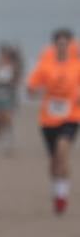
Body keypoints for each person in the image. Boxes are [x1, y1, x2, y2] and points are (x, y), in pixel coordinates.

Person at [26, 29, 80, 214]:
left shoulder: (77, 65)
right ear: (55, 45)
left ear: (70, 45)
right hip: (48, 118)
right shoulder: (45, 65)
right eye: (59, 43)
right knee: (54, 160)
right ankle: (56, 185)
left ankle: (62, 196)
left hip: (71, 116)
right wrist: (35, 91)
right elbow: (31, 87)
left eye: (66, 43)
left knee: (63, 150)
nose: (63, 47)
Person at [0, 42, 24, 154]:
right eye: (2, 53)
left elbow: (18, 79)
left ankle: (10, 140)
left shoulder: (14, 64)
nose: (3, 55)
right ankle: (0, 138)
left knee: (7, 116)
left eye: (5, 53)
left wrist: (13, 82)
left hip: (9, 92)